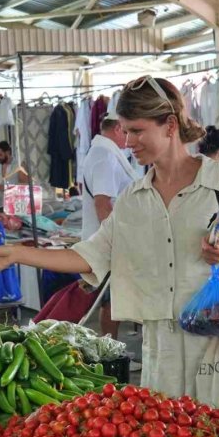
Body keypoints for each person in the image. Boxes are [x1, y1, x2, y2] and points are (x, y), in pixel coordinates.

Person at [0, 76, 219, 395]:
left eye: (137, 130)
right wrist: (16, 254)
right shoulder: (133, 198)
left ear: (170, 125)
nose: (128, 140)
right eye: (125, 130)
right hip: (160, 352)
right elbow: (88, 255)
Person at [81, 113, 136, 338]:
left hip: (109, 237)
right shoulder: (105, 157)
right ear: (117, 130)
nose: (130, 139)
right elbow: (103, 205)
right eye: (128, 132)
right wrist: (117, 240)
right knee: (112, 299)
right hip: (109, 241)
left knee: (114, 299)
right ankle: (112, 351)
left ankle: (113, 349)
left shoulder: (100, 153)